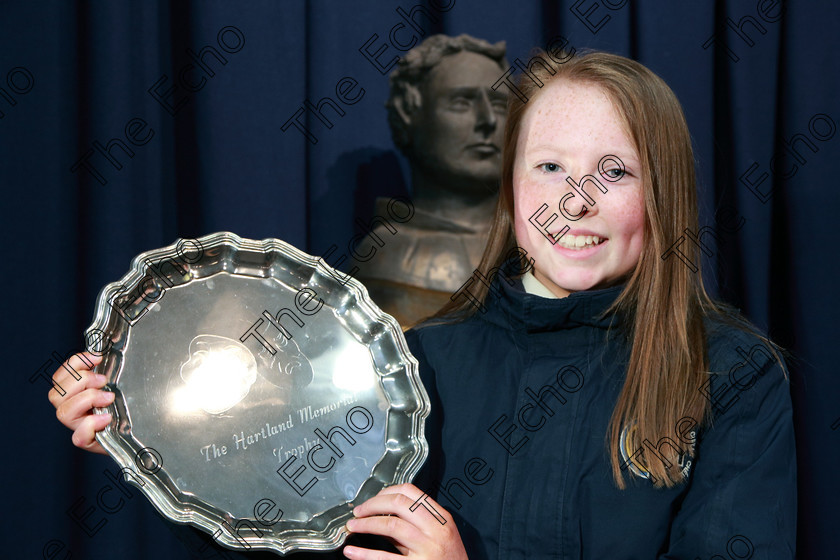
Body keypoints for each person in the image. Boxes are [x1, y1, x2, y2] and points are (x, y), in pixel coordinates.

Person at [49, 48, 797, 559]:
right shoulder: (419, 360)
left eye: (613, 171)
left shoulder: (732, 378)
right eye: (548, 166)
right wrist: (143, 429)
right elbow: (296, 526)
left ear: (662, 191)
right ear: (509, 187)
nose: (575, 201)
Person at [357, 34, 508, 328]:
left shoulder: (544, 245)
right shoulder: (385, 256)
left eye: (500, 105)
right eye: (461, 102)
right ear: (409, 115)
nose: (488, 119)